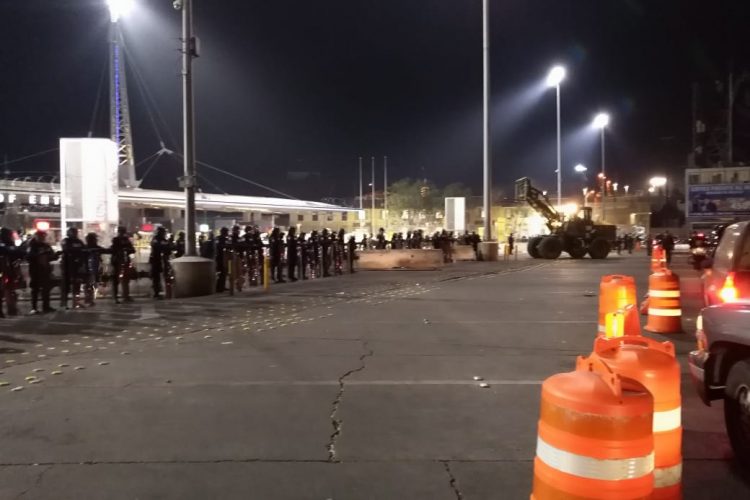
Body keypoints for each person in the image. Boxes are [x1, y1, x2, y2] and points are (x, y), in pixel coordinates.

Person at [27, 230, 57, 314]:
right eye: (40, 236)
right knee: (35, 289)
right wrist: (39, 254)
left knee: (46, 289)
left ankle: (46, 306)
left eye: (43, 236)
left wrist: (54, 255)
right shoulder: (32, 245)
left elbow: (52, 256)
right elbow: (29, 256)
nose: (42, 238)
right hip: (35, 270)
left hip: (45, 270)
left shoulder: (46, 246)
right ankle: (34, 308)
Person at [1, 228, 24, 317]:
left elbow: (19, 253)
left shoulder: (10, 243)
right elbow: (8, 250)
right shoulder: (3, 244)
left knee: (10, 290)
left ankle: (12, 309)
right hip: (3, 270)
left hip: (9, 270)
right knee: (4, 290)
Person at [60, 227, 86, 309]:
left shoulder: (79, 241)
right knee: (66, 285)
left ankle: (76, 302)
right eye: (73, 232)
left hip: (77, 266)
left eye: (75, 232)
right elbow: (66, 249)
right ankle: (64, 303)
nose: (75, 234)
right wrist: (76, 251)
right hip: (67, 266)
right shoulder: (66, 241)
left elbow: (84, 250)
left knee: (77, 285)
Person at [110, 226, 136, 304]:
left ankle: (126, 295)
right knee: (116, 279)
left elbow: (132, 250)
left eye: (123, 231)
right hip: (117, 261)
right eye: (121, 231)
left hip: (125, 261)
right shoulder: (116, 240)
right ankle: (116, 296)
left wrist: (127, 250)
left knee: (126, 279)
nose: (122, 233)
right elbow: (113, 249)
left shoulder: (126, 240)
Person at [84, 232, 108, 306]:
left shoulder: (90, 247)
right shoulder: (89, 248)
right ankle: (89, 299)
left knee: (90, 283)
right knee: (90, 283)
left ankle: (88, 299)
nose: (96, 240)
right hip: (89, 269)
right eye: (95, 239)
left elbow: (105, 251)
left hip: (93, 268)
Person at [149, 226, 172, 299]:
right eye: (162, 232)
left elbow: (169, 249)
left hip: (164, 260)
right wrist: (163, 247)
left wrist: (165, 247)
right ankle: (156, 293)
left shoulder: (164, 240)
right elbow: (156, 246)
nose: (163, 234)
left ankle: (166, 291)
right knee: (156, 277)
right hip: (156, 260)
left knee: (166, 275)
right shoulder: (155, 239)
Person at [215, 227, 230, 292]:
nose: (227, 233)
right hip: (220, 258)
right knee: (221, 273)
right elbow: (218, 246)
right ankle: (219, 287)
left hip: (223, 258)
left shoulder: (225, 239)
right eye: (226, 232)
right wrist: (225, 246)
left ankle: (222, 286)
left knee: (223, 273)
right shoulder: (219, 238)